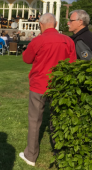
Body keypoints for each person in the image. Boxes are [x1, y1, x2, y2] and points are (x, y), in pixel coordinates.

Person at [19, 13, 76, 167]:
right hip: (59, 85)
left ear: (40, 24)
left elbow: (26, 59)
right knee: (57, 119)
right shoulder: (68, 40)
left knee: (34, 120)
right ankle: (59, 152)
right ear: (55, 24)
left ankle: (31, 155)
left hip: (39, 85)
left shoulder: (38, 40)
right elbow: (72, 63)